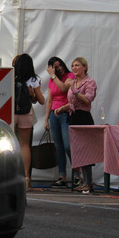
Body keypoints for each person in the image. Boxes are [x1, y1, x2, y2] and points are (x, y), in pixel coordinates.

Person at [59, 57, 97, 193]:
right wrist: (63, 108)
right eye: (73, 66)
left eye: (77, 65)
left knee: (86, 150)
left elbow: (87, 100)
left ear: (84, 67)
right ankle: (84, 181)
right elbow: (72, 103)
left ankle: (89, 181)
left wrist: (74, 90)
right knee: (78, 151)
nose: (74, 68)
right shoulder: (73, 82)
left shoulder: (90, 82)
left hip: (84, 117)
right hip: (73, 117)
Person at [13, 54, 45, 191]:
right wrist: (32, 94)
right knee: (25, 145)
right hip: (26, 113)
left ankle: (11, 175)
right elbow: (41, 100)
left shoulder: (10, 77)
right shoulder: (33, 79)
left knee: (10, 143)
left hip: (11, 112)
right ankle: (26, 177)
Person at [45, 57, 75, 188]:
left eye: (61, 65)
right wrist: (46, 119)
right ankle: (62, 176)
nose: (60, 69)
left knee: (68, 145)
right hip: (54, 114)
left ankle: (78, 173)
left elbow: (63, 89)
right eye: (56, 67)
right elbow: (50, 100)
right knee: (58, 147)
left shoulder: (70, 76)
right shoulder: (51, 81)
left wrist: (53, 75)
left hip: (65, 113)